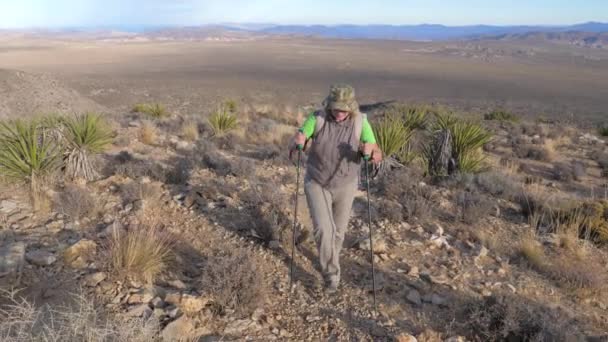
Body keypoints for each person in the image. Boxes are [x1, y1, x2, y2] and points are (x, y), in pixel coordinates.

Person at [289, 84, 382, 293]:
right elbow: (302, 137)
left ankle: (330, 259)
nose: (339, 113)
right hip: (317, 181)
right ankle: (331, 275)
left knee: (338, 233)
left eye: (343, 109)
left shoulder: (360, 122)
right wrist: (299, 141)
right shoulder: (318, 118)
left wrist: (371, 151)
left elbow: (375, 151)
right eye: (335, 108)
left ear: (351, 108)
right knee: (324, 229)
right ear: (329, 105)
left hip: (346, 184)